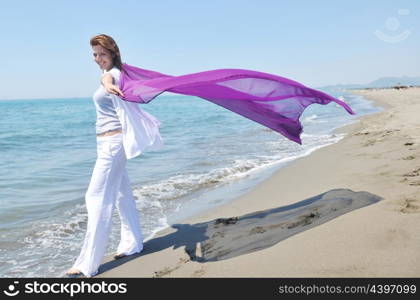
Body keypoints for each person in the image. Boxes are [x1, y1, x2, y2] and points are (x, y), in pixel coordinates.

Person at [66, 34, 163, 277]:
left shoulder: (116, 75)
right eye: (95, 55)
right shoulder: (118, 75)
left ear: (113, 54)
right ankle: (133, 244)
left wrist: (107, 83)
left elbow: (108, 78)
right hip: (107, 143)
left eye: (102, 54)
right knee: (121, 194)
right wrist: (106, 84)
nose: (98, 59)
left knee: (95, 196)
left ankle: (88, 262)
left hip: (112, 144)